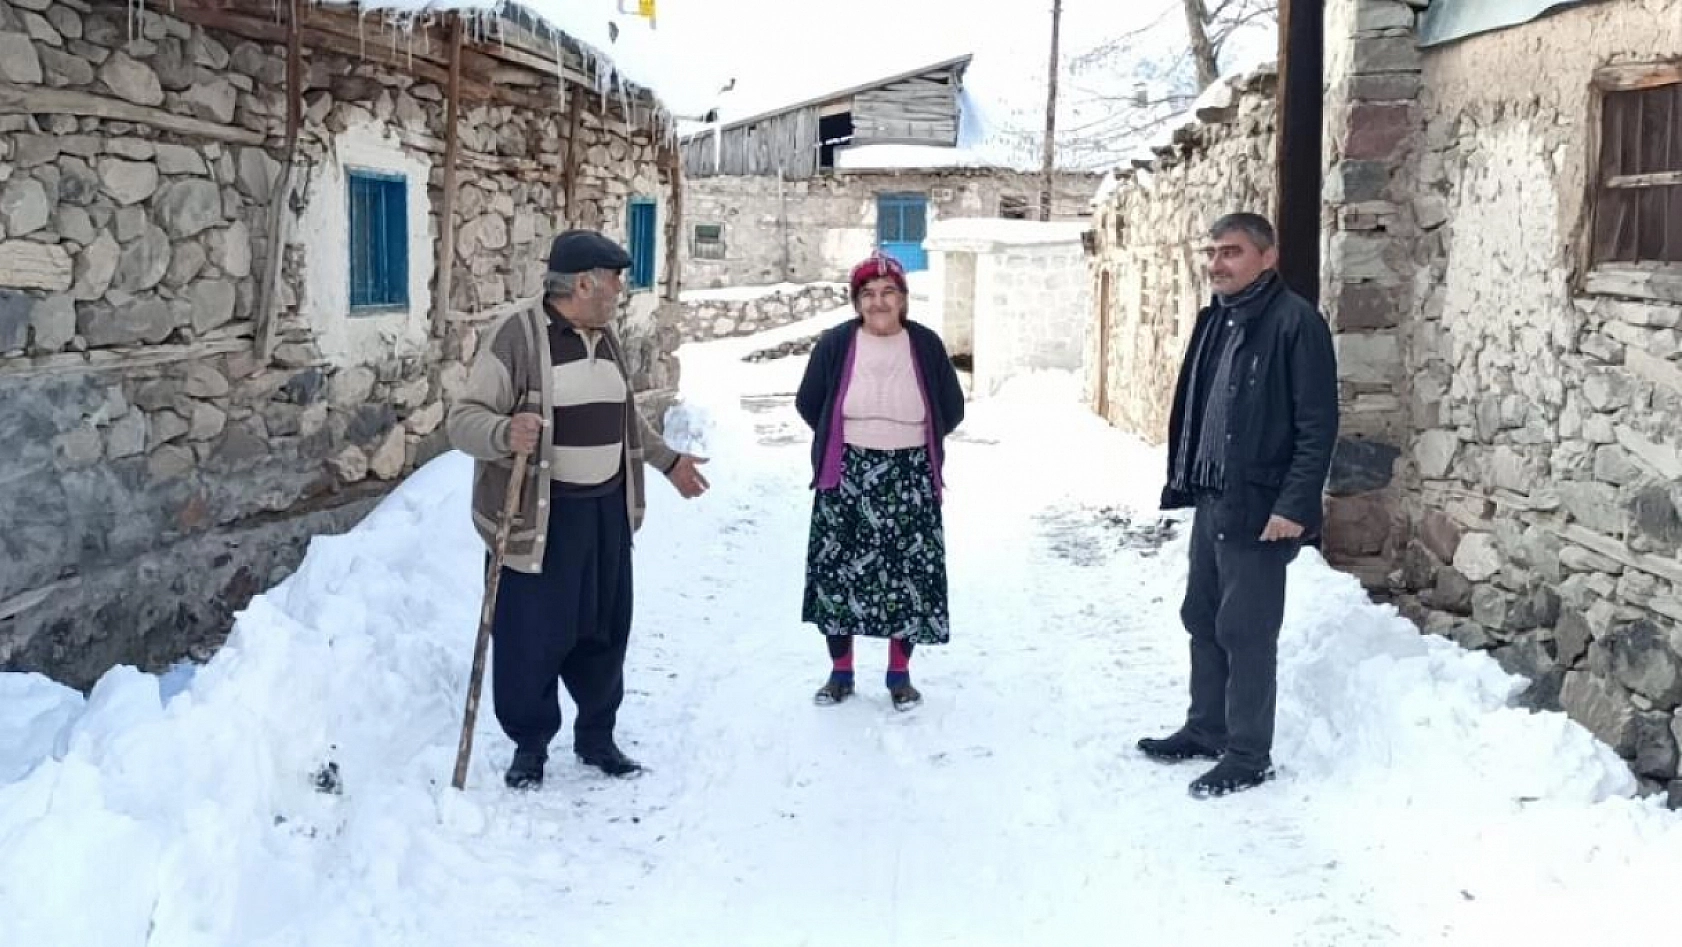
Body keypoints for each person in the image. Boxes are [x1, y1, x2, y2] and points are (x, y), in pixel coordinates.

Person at [446, 229, 710, 790]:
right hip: (540, 522)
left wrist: (667, 463)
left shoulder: (606, 337)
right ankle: (530, 746)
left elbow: (624, 419)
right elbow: (462, 420)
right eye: (615, 280)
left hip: (604, 516)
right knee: (530, 638)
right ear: (585, 282)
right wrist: (501, 431)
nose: (621, 289)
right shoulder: (516, 338)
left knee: (604, 631)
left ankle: (596, 737)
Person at [1138, 212, 1338, 799]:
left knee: (1246, 630)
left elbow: (1317, 424)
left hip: (1261, 508)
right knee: (1202, 617)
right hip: (1212, 497)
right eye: (1213, 253)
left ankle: (1249, 754)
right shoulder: (1217, 320)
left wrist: (1294, 505)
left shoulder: (1296, 324)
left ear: (1267, 257)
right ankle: (1207, 729)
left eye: (1231, 252)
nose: (1217, 264)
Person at [795, 250, 966, 711]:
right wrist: (852, 438)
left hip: (909, 475)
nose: (878, 302)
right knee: (839, 574)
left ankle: (899, 675)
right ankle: (841, 672)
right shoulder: (835, 343)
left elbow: (951, 408)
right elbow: (811, 403)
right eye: (867, 294)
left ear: (904, 299)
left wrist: (904, 440)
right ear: (856, 302)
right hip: (846, 473)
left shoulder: (925, 344)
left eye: (888, 292)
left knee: (906, 575)